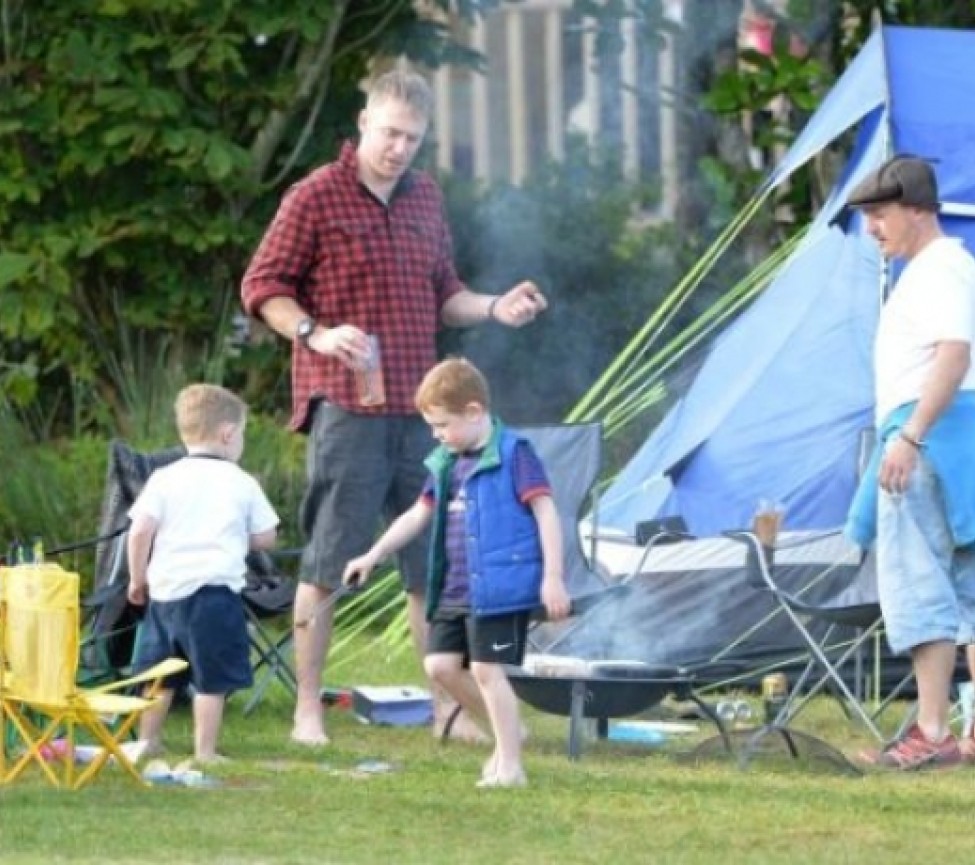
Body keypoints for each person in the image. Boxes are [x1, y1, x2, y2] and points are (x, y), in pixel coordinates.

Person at [240, 68, 548, 746]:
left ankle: (447, 708)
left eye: (412, 137)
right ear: (362, 123)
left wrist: (495, 306)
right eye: (389, 133)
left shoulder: (425, 200)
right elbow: (262, 285)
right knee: (328, 559)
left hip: (423, 414)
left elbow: (446, 295)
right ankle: (307, 711)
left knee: (429, 565)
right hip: (344, 406)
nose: (399, 147)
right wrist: (314, 332)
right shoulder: (314, 195)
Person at [343, 358, 570, 787]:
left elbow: (546, 511)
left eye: (442, 424)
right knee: (440, 666)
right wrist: (372, 554)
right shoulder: (446, 463)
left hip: (500, 586)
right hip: (455, 586)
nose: (436, 435)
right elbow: (417, 515)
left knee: (486, 670)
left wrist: (553, 576)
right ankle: (507, 737)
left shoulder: (513, 454)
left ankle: (511, 765)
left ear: (473, 411)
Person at [844, 155, 975, 769]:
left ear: (918, 209)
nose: (873, 227)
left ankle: (931, 732)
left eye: (879, 213)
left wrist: (912, 435)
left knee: (920, 587)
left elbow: (954, 353)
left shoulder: (936, 272)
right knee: (969, 595)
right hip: (958, 447)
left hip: (929, 445)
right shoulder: (950, 268)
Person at [127, 384, 279, 763]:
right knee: (211, 678)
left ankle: (148, 741)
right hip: (214, 594)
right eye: (241, 433)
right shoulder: (242, 482)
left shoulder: (164, 477)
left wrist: (136, 579)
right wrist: (238, 536)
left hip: (165, 594)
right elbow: (266, 537)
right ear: (228, 434)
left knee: (159, 674)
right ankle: (205, 751)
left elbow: (140, 531)